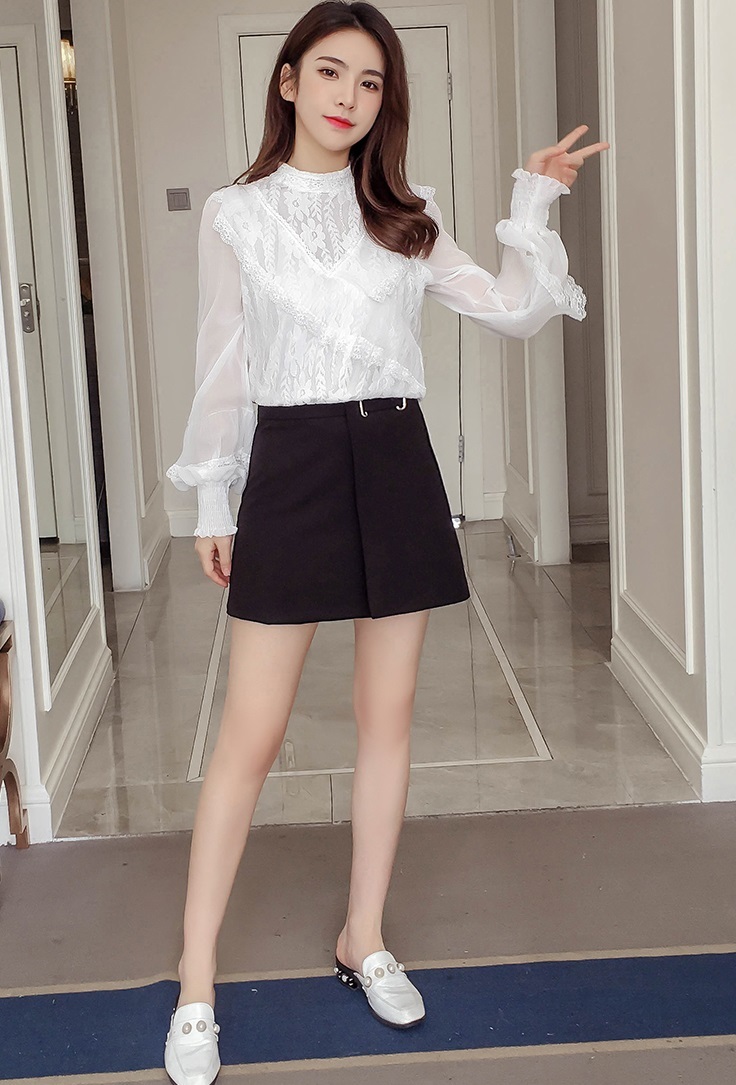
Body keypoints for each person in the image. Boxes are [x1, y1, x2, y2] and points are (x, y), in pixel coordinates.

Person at [162, 1, 608, 1081]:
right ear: (287, 80)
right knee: (250, 734)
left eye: (369, 83)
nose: (348, 97)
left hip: (396, 459)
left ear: (383, 103)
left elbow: (511, 310)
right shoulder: (236, 214)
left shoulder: (405, 216)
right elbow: (223, 358)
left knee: (388, 719)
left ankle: (362, 934)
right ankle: (195, 979)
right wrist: (213, 498)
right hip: (292, 464)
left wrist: (534, 195)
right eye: (330, 72)